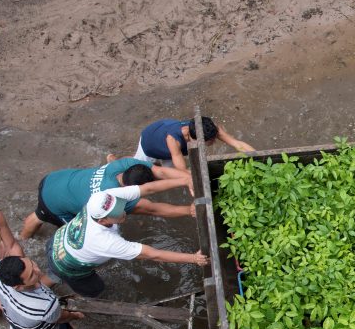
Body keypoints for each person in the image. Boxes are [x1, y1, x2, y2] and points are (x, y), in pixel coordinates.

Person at [47, 185, 209, 297]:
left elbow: (146, 188)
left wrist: (184, 179)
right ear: (102, 221)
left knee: (56, 272)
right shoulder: (104, 241)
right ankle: (50, 284)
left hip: (59, 239)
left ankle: (48, 278)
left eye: (119, 207)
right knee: (97, 290)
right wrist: (194, 258)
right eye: (116, 213)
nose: (123, 212)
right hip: (65, 263)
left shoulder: (103, 199)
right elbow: (152, 254)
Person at [21, 157, 193, 239]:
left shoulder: (123, 164)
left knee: (41, 212)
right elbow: (152, 209)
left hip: (54, 179)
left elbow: (160, 171)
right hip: (53, 202)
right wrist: (190, 210)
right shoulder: (113, 199)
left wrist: (190, 178)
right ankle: (23, 241)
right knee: (72, 232)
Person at [134, 116, 255, 172]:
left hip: (165, 131)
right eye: (211, 141)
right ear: (196, 140)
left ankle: (156, 166)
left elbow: (237, 144)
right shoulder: (174, 140)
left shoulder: (209, 128)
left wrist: (257, 158)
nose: (214, 142)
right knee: (138, 167)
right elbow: (183, 171)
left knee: (166, 171)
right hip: (149, 142)